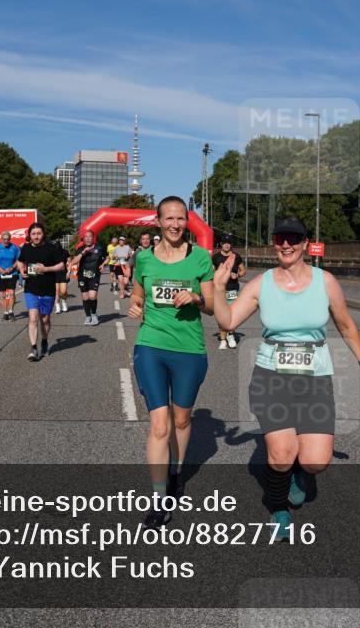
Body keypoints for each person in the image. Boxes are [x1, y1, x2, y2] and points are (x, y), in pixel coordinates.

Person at [212, 216, 360, 539]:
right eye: (280, 239)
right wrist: (219, 290)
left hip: (315, 378)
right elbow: (229, 321)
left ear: (305, 243)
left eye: (293, 238)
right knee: (280, 456)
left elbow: (346, 325)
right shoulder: (262, 283)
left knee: (316, 462)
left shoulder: (326, 282)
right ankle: (278, 506)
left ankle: (298, 472)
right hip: (270, 377)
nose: (286, 245)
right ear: (274, 243)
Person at [128, 196, 215, 528]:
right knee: (160, 425)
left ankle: (177, 471)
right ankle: (158, 498)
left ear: (187, 222)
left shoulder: (200, 260)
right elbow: (137, 295)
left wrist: (196, 297)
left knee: (181, 421)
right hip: (151, 345)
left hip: (189, 350)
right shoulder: (145, 259)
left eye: (181, 219)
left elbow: (211, 306)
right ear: (158, 221)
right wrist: (135, 306)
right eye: (169, 219)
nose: (175, 224)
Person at [18, 223, 64, 361]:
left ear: (43, 234)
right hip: (31, 288)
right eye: (33, 234)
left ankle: (44, 341)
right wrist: (21, 271)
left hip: (47, 288)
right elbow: (20, 261)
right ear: (30, 235)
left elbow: (61, 265)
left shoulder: (51, 248)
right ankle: (33, 348)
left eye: (39, 233)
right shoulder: (26, 248)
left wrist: (46, 269)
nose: (36, 236)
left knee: (45, 319)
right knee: (33, 317)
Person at [212, 235, 246, 349]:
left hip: (232, 288)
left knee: (231, 313)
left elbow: (243, 271)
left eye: (229, 243)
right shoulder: (216, 257)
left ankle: (230, 335)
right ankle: (222, 340)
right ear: (221, 244)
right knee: (221, 314)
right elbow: (211, 272)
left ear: (231, 245)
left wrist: (237, 275)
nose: (226, 245)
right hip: (219, 290)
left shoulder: (236, 257)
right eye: (224, 242)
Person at [68, 230, 104, 326]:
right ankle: (88, 316)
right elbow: (73, 262)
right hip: (82, 276)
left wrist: (103, 264)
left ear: (93, 238)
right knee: (85, 297)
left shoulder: (99, 248)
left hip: (94, 275)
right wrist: (82, 253)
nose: (88, 238)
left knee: (92, 295)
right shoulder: (80, 249)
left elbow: (107, 257)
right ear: (83, 239)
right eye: (86, 237)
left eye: (90, 236)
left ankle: (94, 314)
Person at [0, 231, 21, 321]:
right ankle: (5, 312)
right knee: (2, 295)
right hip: (1, 273)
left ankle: (11, 311)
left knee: (11, 293)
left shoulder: (15, 248)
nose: (6, 241)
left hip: (12, 273)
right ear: (1, 239)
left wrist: (12, 268)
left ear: (10, 239)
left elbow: (19, 259)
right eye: (4, 239)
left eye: (8, 239)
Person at [53, 241, 70, 314]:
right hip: (54, 274)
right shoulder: (51, 253)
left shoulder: (65, 252)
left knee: (63, 291)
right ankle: (57, 306)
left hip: (63, 273)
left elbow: (69, 262)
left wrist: (69, 272)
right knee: (56, 291)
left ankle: (63, 301)